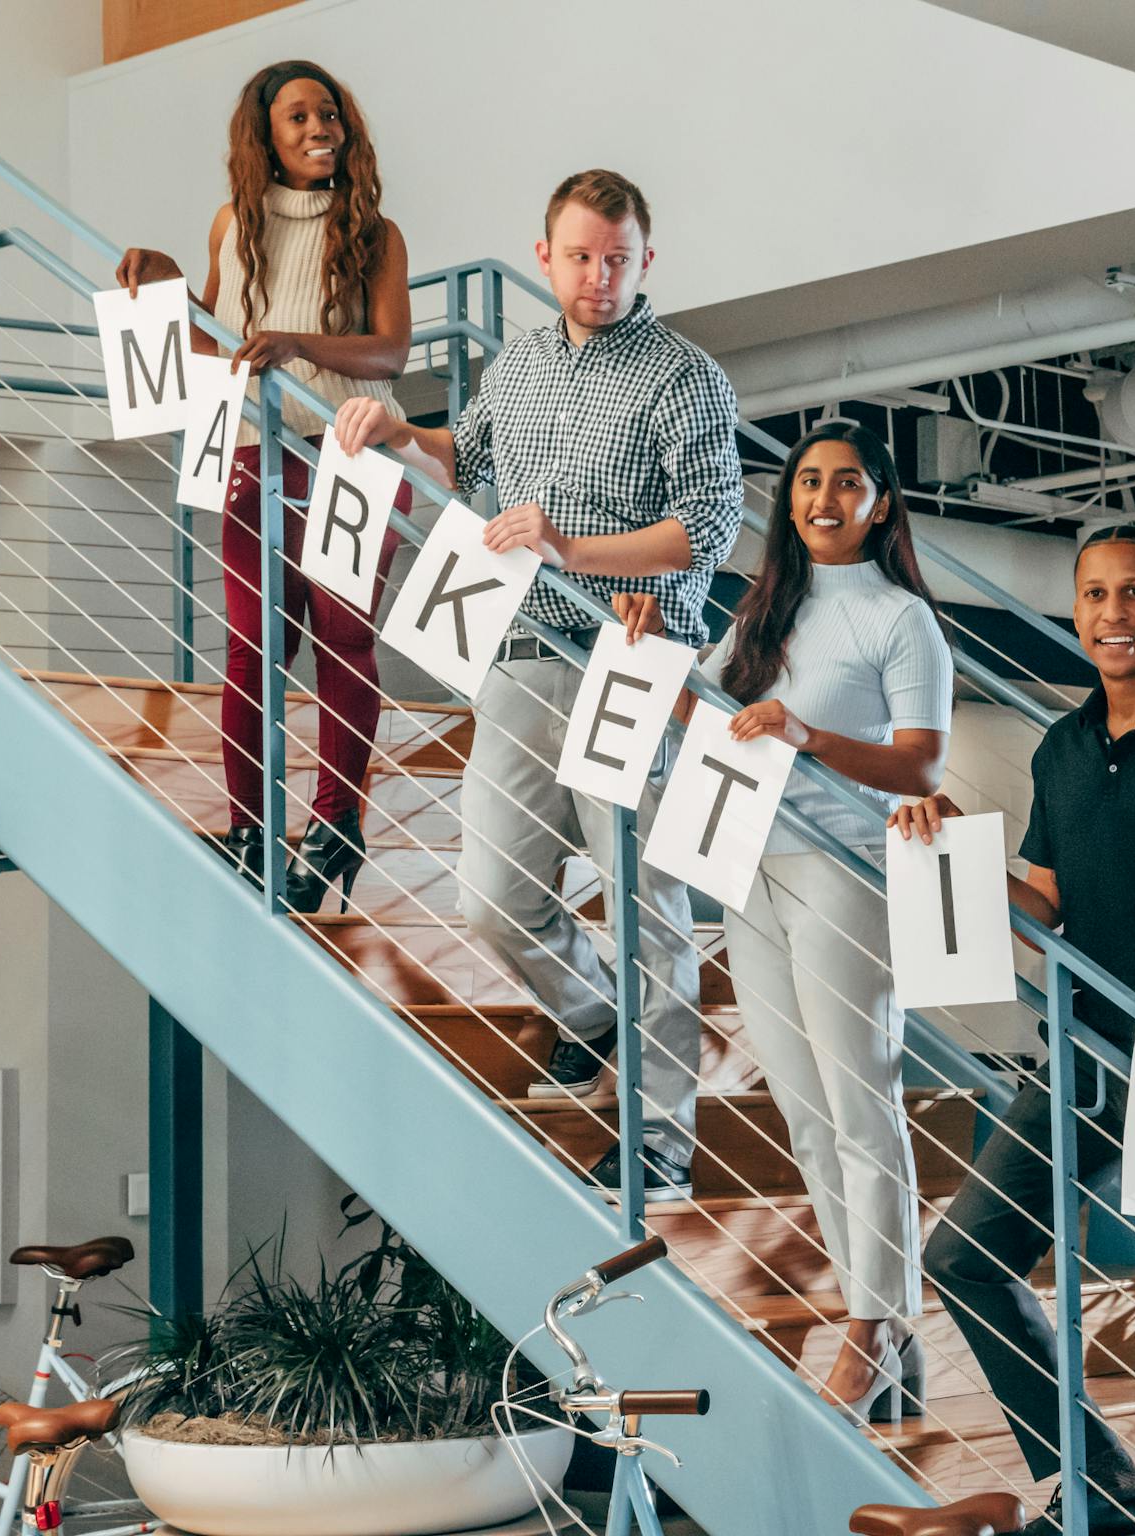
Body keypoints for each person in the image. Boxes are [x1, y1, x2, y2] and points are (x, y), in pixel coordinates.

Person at [333, 169, 743, 1202]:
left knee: (647, 911)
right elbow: (464, 461)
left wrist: (573, 549)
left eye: (617, 257)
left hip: (632, 661)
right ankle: (593, 1013)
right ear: (543, 254)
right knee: (493, 897)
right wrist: (397, 432)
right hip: (519, 654)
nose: (599, 276)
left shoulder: (685, 377)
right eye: (580, 256)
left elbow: (708, 526)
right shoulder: (513, 368)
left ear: (646, 259)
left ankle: (659, 1144)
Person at [891, 524, 1135, 1536]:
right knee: (964, 1257)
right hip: (1084, 1054)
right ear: (1075, 611)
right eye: (1096, 596)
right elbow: (1048, 903)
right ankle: (1105, 1488)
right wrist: (951, 854)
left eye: (1134, 594)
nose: (1114, 614)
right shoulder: (1059, 746)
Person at [634, 420, 951, 1420]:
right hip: (747, 863)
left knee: (861, 1101)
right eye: (807, 481)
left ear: (881, 502)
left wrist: (808, 734)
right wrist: (647, 649)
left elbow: (919, 765)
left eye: (844, 482)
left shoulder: (901, 620)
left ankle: (873, 1324)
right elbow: (704, 713)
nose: (821, 497)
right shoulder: (762, 612)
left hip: (843, 867)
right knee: (807, 1116)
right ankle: (883, 1328)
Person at [115, 59, 413, 914]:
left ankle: (334, 824)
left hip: (350, 448)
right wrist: (168, 279)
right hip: (255, 447)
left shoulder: (376, 234)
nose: (321, 129)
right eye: (299, 118)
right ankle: (250, 827)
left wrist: (301, 343)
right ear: (267, 138)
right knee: (252, 651)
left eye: (331, 115)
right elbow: (220, 348)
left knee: (342, 641)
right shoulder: (231, 224)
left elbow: (389, 354)